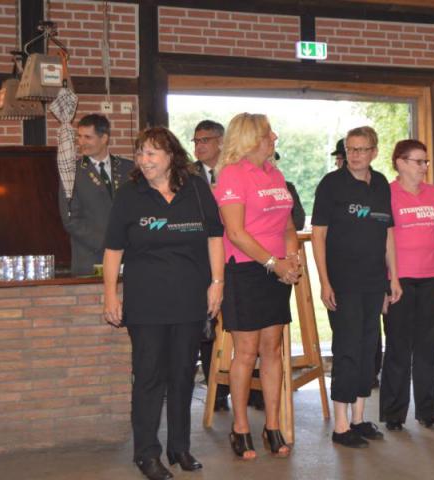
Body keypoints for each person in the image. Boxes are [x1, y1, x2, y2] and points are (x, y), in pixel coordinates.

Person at [103, 126, 224, 480]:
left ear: (171, 156)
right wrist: (110, 293)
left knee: (183, 375)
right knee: (149, 377)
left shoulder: (196, 189)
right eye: (140, 153)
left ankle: (179, 447)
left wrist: (217, 284)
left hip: (190, 301)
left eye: (152, 153)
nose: (144, 160)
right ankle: (146, 453)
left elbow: (215, 238)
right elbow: (113, 249)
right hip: (146, 304)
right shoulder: (130, 194)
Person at [213, 113, 299, 460]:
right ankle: (241, 427)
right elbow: (235, 232)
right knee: (246, 352)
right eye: (267, 133)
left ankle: (272, 426)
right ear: (250, 139)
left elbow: (288, 226)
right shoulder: (232, 174)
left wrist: (290, 259)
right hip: (246, 270)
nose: (274, 137)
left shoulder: (274, 174)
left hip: (276, 272)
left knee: (272, 350)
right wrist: (274, 263)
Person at [312, 126, 401, 449]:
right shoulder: (331, 184)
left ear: (374, 152)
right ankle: (340, 425)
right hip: (343, 282)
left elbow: (387, 233)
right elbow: (318, 235)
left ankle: (359, 418)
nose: (356, 155)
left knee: (368, 350)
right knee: (347, 349)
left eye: (362, 149)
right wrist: (324, 281)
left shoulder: (381, 184)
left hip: (374, 281)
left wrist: (393, 278)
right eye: (351, 149)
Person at [379, 139, 434, 432]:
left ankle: (427, 411)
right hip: (400, 280)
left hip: (433, 277)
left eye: (426, 162)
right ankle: (394, 414)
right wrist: (392, 279)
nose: (424, 167)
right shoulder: (387, 193)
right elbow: (385, 239)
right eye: (418, 161)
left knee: (426, 348)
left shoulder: (433, 193)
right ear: (400, 162)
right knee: (398, 347)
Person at [59, 113, 133, 275]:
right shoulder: (72, 173)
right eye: (79, 136)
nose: (81, 142)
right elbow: (71, 220)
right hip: (90, 259)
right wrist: (109, 243)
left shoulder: (129, 168)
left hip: (130, 258)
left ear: (104, 138)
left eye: (88, 137)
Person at [191, 119, 231, 412]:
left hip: (237, 256)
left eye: (205, 140)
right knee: (208, 325)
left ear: (221, 141)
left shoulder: (235, 171)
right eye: (196, 141)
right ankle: (215, 390)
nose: (199, 146)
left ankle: (250, 389)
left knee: (241, 326)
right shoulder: (187, 175)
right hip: (201, 259)